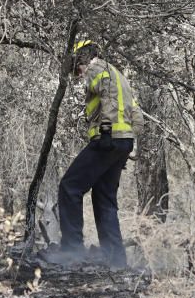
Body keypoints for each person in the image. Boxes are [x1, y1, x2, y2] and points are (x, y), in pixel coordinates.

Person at [54, 39, 143, 268]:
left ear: (82, 57)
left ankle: (71, 252)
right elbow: (136, 113)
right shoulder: (118, 73)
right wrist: (128, 145)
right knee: (104, 198)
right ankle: (116, 260)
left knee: (69, 187)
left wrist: (106, 131)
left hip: (107, 139)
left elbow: (108, 97)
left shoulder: (97, 68)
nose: (78, 71)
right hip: (122, 141)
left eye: (77, 64)